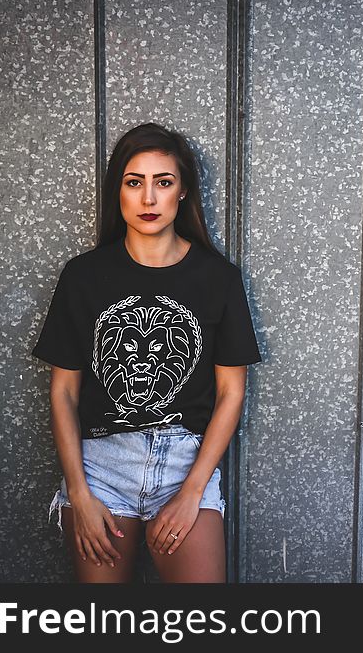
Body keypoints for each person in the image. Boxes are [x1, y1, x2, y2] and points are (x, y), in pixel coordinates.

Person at [31, 123, 262, 583]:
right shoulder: (83, 277)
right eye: (134, 182)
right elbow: (63, 393)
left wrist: (192, 491)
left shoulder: (218, 279)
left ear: (183, 192)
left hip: (185, 465)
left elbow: (231, 393)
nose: (149, 199)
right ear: (118, 190)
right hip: (100, 466)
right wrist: (79, 493)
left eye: (164, 182)